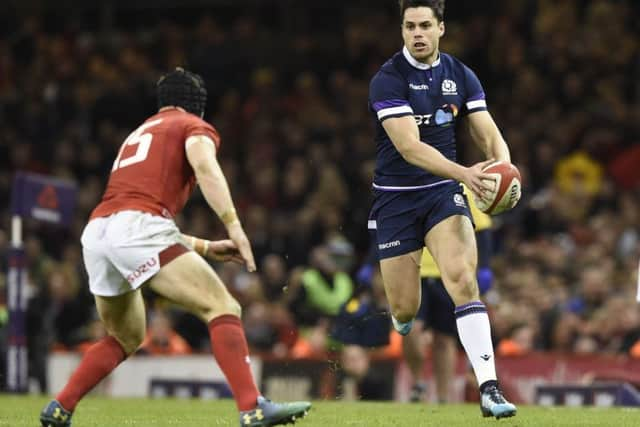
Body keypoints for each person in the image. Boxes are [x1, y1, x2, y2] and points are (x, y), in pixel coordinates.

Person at [40, 68, 311, 427]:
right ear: (198, 107)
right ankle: (252, 407)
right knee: (222, 305)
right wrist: (235, 226)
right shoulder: (191, 126)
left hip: (98, 232)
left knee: (127, 335)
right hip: (137, 227)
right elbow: (205, 168)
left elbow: (133, 210)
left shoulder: (139, 132)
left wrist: (203, 245)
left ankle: (59, 407)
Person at [367, 0, 516, 419]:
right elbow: (409, 147)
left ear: (440, 29)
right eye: (410, 26)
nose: (417, 33)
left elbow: (486, 130)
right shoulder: (388, 79)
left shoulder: (460, 75)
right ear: (401, 30)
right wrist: (466, 173)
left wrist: (501, 164)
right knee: (404, 309)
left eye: (425, 25)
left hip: (442, 194)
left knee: (462, 280)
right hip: (395, 198)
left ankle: (489, 389)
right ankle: (402, 323)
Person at [404, 185, 494, 403]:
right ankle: (417, 382)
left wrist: (484, 266)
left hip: (448, 271)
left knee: (444, 339)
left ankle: (443, 397)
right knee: (411, 329)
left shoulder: (460, 186)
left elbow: (481, 230)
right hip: (416, 270)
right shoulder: (410, 186)